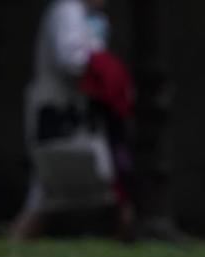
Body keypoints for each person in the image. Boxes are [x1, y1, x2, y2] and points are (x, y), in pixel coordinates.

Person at [9, 0, 135, 240]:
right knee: (49, 184)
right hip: (61, 113)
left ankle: (126, 235)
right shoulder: (67, 10)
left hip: (83, 112)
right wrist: (104, 71)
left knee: (110, 178)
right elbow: (72, 59)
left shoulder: (92, 17)